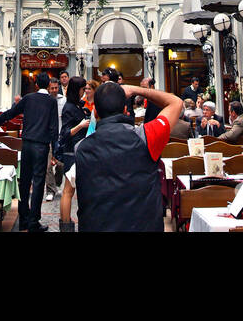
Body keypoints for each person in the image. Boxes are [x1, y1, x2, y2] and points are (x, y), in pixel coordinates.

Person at [71, 82, 183, 231]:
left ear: (95, 112)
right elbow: (176, 102)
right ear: (125, 109)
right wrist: (136, 90)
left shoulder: (81, 148)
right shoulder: (147, 137)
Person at [0, 72, 60, 232]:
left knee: (25, 182)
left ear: (36, 84)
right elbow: (54, 127)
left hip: (27, 145)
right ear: (48, 86)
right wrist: (56, 152)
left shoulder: (28, 98)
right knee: (38, 183)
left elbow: (10, 114)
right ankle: (33, 221)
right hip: (41, 146)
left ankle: (23, 219)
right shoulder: (51, 102)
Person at [45, 76, 66, 201]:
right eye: (52, 88)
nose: (54, 90)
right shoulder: (45, 100)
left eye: (56, 88)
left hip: (60, 136)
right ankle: (50, 190)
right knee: (48, 166)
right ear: (48, 88)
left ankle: (57, 183)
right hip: (48, 137)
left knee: (61, 165)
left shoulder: (63, 100)